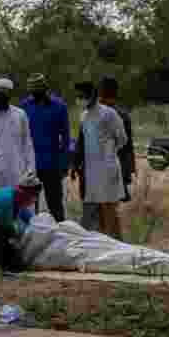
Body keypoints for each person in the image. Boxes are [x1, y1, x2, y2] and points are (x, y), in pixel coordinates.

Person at [72, 80, 128, 240]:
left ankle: (119, 244)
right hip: (91, 170)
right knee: (98, 210)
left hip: (107, 167)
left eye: (82, 96)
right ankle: (106, 242)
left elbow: (122, 138)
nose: (80, 99)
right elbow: (83, 141)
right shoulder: (83, 116)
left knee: (109, 208)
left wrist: (109, 153)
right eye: (78, 96)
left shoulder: (108, 113)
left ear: (92, 96)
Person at [19, 73, 70, 222]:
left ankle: (62, 234)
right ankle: (29, 235)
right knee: (27, 205)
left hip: (52, 164)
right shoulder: (24, 106)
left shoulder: (59, 106)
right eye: (32, 91)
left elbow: (65, 138)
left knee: (55, 204)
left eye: (37, 91)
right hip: (30, 165)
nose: (34, 94)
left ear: (45, 88)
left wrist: (63, 163)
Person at [98, 76, 135, 202]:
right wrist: (128, 171)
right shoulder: (123, 114)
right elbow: (128, 146)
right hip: (118, 168)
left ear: (101, 93)